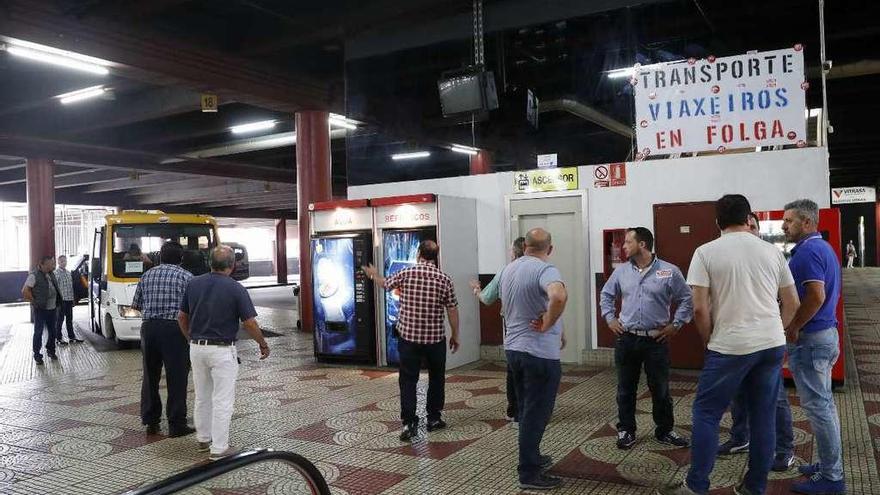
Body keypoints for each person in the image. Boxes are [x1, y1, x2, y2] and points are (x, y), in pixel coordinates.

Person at [659, 194, 800, 495]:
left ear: (717, 221)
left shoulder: (706, 252)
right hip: (771, 345)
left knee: (707, 413)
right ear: (749, 218)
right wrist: (778, 329)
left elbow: (699, 308)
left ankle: (696, 485)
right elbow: (793, 302)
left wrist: (709, 339)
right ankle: (755, 487)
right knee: (764, 417)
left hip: (730, 346)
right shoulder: (771, 252)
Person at [600, 227, 693, 450]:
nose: (623, 246)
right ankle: (626, 431)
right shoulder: (622, 271)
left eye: (628, 242)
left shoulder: (669, 271)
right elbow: (606, 295)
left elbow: (686, 299)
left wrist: (676, 324)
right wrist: (610, 319)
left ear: (642, 245)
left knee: (660, 388)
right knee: (625, 388)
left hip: (656, 341)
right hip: (627, 339)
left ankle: (665, 430)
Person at [717, 213, 795, 473]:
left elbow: (790, 301)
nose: (747, 229)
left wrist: (780, 332)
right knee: (738, 394)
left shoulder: (770, 256)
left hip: (765, 342)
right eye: (745, 225)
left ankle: (784, 450)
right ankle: (741, 438)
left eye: (752, 226)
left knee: (776, 398)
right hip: (736, 342)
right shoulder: (725, 256)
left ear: (758, 230)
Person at [362, 240, 460, 442]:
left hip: (409, 339)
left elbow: (385, 284)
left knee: (408, 381)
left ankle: (409, 423)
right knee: (436, 378)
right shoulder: (444, 279)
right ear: (436, 256)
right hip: (435, 339)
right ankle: (433, 418)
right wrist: (455, 334)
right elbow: (452, 309)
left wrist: (373, 274)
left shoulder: (407, 273)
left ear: (418, 254)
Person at [178, 245, 270, 460]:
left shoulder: (193, 284)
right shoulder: (235, 288)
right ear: (233, 264)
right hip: (221, 350)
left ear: (211, 263)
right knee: (222, 399)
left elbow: (181, 317)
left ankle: (203, 438)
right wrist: (263, 344)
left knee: (202, 395)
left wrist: (190, 339)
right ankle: (219, 449)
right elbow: (249, 323)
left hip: (196, 348)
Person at [782, 199, 846, 495]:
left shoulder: (807, 252)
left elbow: (816, 296)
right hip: (826, 335)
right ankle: (826, 464)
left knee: (819, 408)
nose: (784, 226)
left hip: (811, 340)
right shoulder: (824, 249)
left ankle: (832, 477)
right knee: (825, 407)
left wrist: (794, 326)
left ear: (807, 223)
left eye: (790, 221)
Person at [500, 228, 568, 490]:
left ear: (525, 245)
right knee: (535, 414)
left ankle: (533, 457)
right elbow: (558, 296)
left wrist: (554, 325)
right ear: (549, 249)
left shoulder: (509, 269)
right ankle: (528, 473)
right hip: (539, 354)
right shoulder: (545, 270)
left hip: (514, 351)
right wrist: (549, 323)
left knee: (526, 409)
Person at [131, 241, 195, 437]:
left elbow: (137, 305)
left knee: (150, 375)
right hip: (175, 330)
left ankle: (151, 422)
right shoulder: (187, 277)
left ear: (160, 256)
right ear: (181, 258)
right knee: (177, 377)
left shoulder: (147, 275)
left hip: (149, 328)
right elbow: (191, 309)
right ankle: (176, 424)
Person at [470, 237, 526, 422]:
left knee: (513, 368)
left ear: (515, 252)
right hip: (537, 328)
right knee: (534, 367)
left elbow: (487, 298)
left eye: (511, 249)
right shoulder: (541, 270)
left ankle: (515, 408)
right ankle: (534, 409)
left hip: (512, 327)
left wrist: (477, 290)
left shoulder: (505, 271)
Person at [21, 256, 61, 365]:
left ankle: (51, 350)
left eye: (52, 264)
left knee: (53, 331)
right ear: (42, 264)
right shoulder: (34, 275)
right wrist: (35, 302)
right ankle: (37, 354)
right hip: (41, 310)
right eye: (49, 264)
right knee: (38, 332)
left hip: (52, 309)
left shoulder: (51, 273)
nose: (52, 266)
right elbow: (25, 291)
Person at [54, 255, 83, 345]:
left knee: (69, 319)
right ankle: (59, 338)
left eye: (65, 261)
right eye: (62, 261)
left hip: (69, 299)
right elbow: (55, 288)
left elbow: (71, 287)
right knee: (60, 320)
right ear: (58, 262)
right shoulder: (56, 273)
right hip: (61, 301)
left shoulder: (68, 272)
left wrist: (73, 299)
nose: (64, 263)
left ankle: (72, 337)